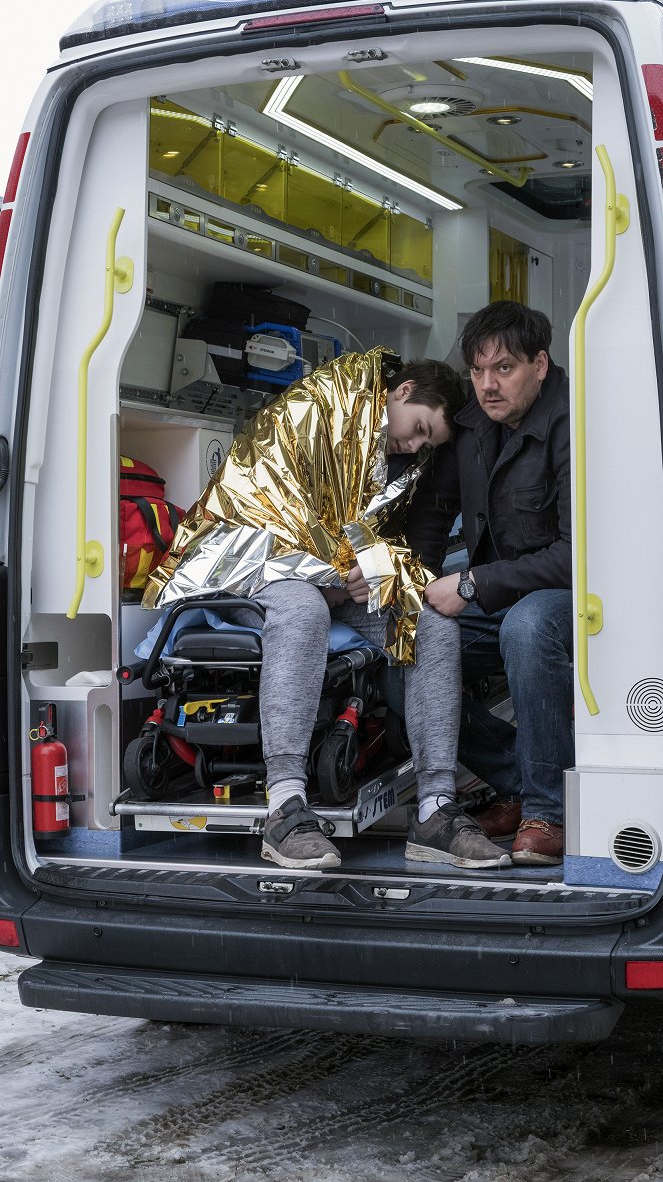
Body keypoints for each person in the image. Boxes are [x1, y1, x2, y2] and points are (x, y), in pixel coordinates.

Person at [147, 353, 512, 872]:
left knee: (429, 618)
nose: (413, 445)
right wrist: (332, 573)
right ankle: (285, 805)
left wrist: (371, 568)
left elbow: (369, 535)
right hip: (248, 565)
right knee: (302, 609)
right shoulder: (317, 407)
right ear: (403, 390)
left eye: (425, 443)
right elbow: (270, 511)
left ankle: (436, 807)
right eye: (418, 429)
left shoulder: (396, 456)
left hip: (333, 581)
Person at [408, 302, 572, 866]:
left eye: (503, 369)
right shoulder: (474, 426)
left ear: (541, 364)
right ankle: (519, 782)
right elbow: (432, 511)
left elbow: (577, 556)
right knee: (404, 642)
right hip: (498, 593)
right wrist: (410, 584)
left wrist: (473, 583)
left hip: (572, 597)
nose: (486, 385)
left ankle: (549, 812)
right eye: (478, 372)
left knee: (527, 628)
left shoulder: (572, 422)